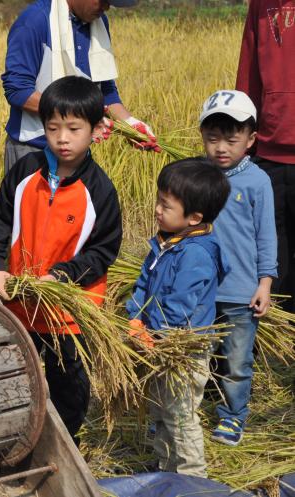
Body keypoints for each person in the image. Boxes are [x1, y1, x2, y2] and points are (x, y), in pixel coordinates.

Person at [0, 76, 122, 442]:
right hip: (20, 303)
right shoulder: (25, 172)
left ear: (95, 130)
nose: (62, 138)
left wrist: (63, 276)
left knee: (68, 385)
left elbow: (103, 250)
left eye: (74, 128)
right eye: (53, 127)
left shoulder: (100, 190)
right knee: (13, 377)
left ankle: (65, 447)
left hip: (68, 312)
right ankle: (15, 440)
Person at [126, 159, 230, 477]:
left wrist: (154, 332)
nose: (157, 209)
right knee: (160, 407)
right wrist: (135, 316)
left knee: (180, 413)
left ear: (194, 217)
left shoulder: (196, 254)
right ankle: (165, 467)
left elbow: (180, 307)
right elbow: (143, 283)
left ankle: (191, 477)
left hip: (184, 346)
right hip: (158, 338)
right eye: (159, 200)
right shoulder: (164, 242)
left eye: (166, 205)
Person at [198, 90, 277, 446]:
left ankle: (233, 416)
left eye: (232, 139)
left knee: (236, 360)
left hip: (240, 291)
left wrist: (264, 284)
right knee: (194, 356)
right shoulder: (197, 177)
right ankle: (184, 411)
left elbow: (266, 237)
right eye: (213, 139)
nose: (221, 148)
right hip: (198, 288)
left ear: (251, 139)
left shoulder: (257, 181)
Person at [1, 0, 159, 172]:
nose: (106, 7)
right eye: (103, 0)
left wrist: (130, 124)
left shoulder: (98, 23)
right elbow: (18, 91)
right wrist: (83, 116)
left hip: (78, 153)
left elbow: (104, 89)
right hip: (33, 149)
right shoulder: (35, 21)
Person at [236, 0, 295, 307]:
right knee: (272, 260)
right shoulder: (261, 4)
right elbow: (249, 76)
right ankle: (279, 346)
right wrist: (241, 139)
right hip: (268, 156)